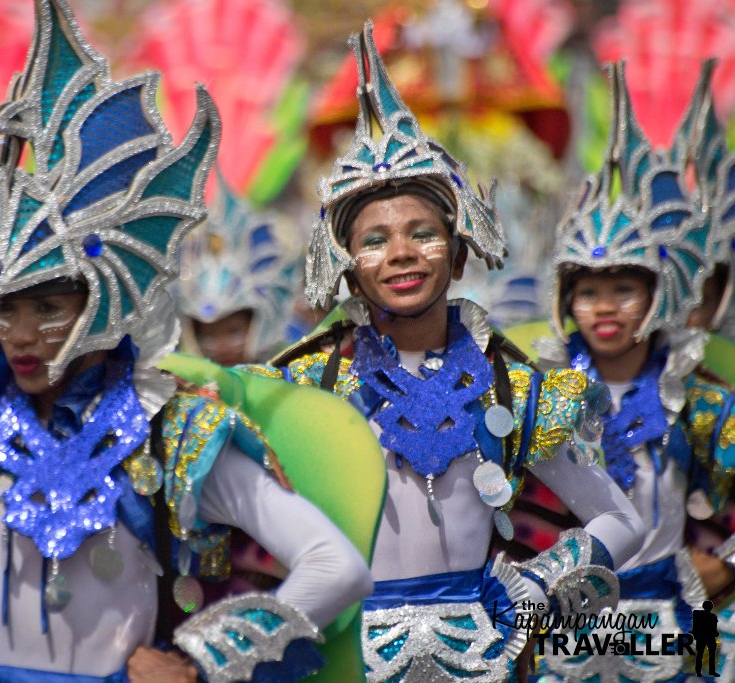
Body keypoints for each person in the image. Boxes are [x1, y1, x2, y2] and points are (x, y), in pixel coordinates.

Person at [0, 1, 373, 681]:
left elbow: (336, 566)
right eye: (2, 307)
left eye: (48, 305)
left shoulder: (175, 431)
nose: (19, 334)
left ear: (104, 299)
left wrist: (200, 659)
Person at [234, 23, 646, 682]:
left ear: (457, 252)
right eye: (375, 240)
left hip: (484, 659)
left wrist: (532, 591)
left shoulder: (507, 381)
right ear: (346, 267)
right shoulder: (308, 382)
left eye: (422, 232)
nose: (400, 252)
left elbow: (620, 519)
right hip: (350, 660)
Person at [531, 62, 735, 683]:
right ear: (566, 300)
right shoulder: (540, 398)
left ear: (657, 295)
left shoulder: (696, 398)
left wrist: (725, 562)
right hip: (566, 619)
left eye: (624, 288)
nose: (606, 308)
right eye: (589, 291)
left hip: (680, 608)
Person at [175, 172, 298, 366]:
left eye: (233, 332)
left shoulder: (297, 375)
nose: (222, 347)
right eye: (208, 336)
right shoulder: (186, 391)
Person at [693, 600, 720, 677]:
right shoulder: (699, 614)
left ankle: (708, 671)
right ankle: (699, 671)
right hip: (703, 637)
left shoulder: (712, 616)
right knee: (701, 654)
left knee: (709, 655)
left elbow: (714, 629)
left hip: (708, 637)